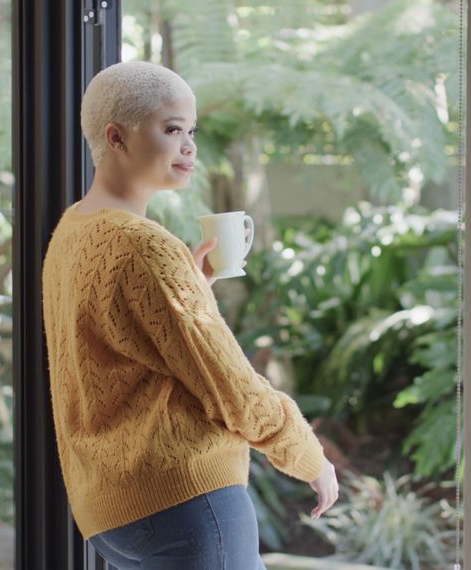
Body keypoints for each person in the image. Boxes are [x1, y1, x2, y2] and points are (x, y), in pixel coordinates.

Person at [40, 60, 339, 569]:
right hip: (186, 506)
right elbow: (232, 388)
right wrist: (307, 455)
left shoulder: (71, 230)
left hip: (110, 514)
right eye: (171, 129)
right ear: (116, 137)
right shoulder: (144, 245)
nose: (189, 146)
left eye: (191, 130)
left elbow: (109, 357)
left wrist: (193, 292)